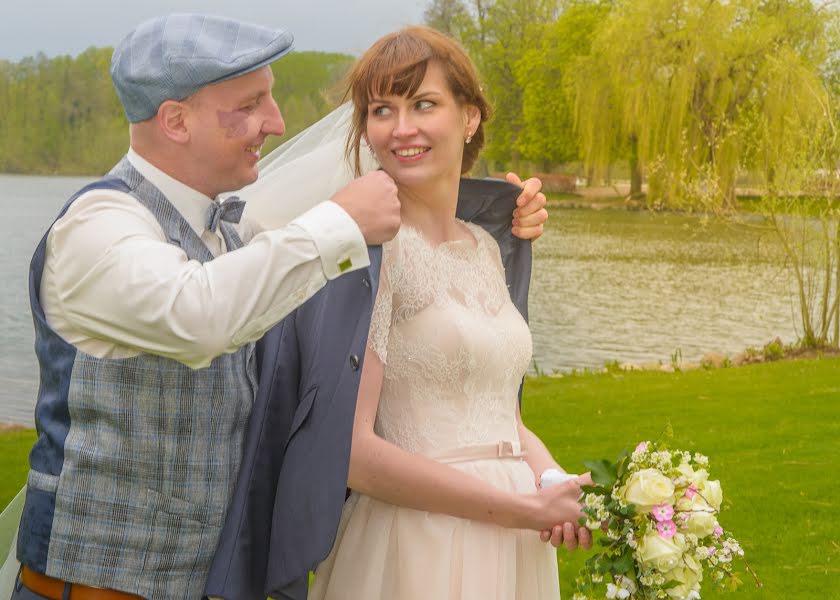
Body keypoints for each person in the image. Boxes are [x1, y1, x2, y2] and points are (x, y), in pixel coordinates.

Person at [4, 13, 549, 600]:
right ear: (176, 120)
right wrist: (340, 222)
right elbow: (199, 316)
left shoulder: (238, 234)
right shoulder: (100, 228)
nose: (277, 121)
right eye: (251, 104)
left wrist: (501, 209)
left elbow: (410, 208)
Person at [305, 26, 592, 600]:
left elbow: (497, 416)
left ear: (469, 118)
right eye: (382, 109)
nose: (401, 128)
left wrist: (554, 482)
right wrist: (517, 508)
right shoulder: (370, 254)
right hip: (416, 543)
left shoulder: (486, 248)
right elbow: (354, 453)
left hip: (512, 547)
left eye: (424, 104)